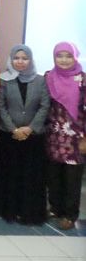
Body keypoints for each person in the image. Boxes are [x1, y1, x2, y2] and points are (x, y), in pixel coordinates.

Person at [0, 45, 50, 225]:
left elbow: (44, 106)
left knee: (31, 175)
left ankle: (28, 212)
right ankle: (9, 210)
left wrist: (30, 128)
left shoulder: (41, 80)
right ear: (11, 60)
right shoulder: (4, 79)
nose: (20, 61)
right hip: (8, 136)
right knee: (10, 173)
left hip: (34, 137)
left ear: (30, 60)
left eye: (24, 58)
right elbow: (1, 106)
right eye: (16, 58)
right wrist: (14, 129)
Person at [44, 42, 86, 230]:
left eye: (68, 56)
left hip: (76, 138)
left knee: (72, 179)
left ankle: (70, 214)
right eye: (59, 56)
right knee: (53, 175)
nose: (64, 60)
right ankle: (55, 208)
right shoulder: (49, 76)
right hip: (53, 136)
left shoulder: (83, 79)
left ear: (75, 57)